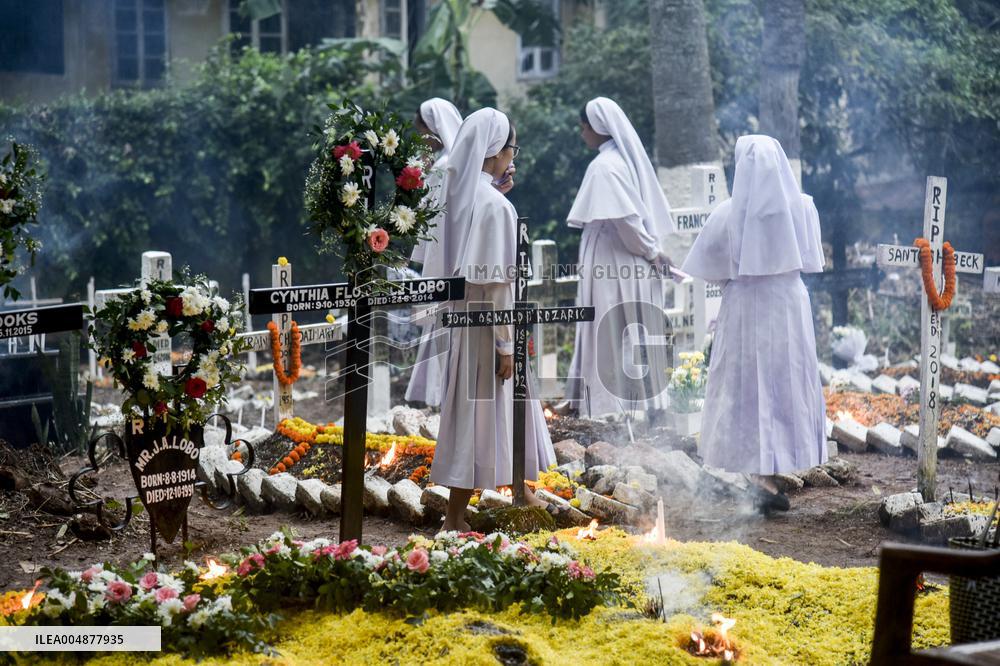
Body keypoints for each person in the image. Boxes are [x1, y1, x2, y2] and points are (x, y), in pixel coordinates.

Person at [681, 135, 827, 512]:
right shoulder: (804, 207)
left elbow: (708, 269)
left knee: (749, 385)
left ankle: (760, 472)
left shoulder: (728, 214)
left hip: (746, 306)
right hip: (788, 306)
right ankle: (773, 468)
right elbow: (811, 260)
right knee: (783, 381)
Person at [430, 108, 555, 531]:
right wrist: (506, 345)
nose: (513, 158)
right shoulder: (496, 208)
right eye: (512, 149)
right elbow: (498, 284)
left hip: (465, 323)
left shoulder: (463, 198)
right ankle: (457, 517)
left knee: (481, 413)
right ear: (495, 151)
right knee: (487, 413)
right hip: (489, 328)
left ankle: (516, 492)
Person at [565, 97, 676, 419]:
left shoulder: (604, 167)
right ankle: (633, 404)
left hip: (614, 260)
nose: (582, 131)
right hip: (622, 256)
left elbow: (626, 221)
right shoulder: (621, 160)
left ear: (597, 127)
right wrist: (651, 251)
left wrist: (651, 252)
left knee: (610, 326)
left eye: (584, 125)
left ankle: (608, 408)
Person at [406, 98, 463, 407]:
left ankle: (438, 393)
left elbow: (430, 219)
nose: (421, 140)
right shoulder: (458, 163)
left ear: (435, 130)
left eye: (422, 132)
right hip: (454, 255)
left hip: (444, 257)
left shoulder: (443, 167)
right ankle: (435, 392)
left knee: (441, 319)